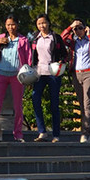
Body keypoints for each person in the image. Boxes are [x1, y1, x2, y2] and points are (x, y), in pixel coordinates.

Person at [61, 19, 90, 143]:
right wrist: (70, 27)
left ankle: (84, 133)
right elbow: (61, 39)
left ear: (85, 29)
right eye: (76, 29)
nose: (77, 31)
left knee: (87, 104)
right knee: (82, 105)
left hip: (88, 73)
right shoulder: (73, 42)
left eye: (80, 28)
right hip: (76, 73)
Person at [0, 15, 34, 142]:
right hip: (1, 73)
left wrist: (28, 75)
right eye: (8, 25)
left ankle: (18, 133)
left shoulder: (23, 40)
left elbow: (28, 58)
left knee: (18, 105)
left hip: (17, 75)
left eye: (13, 24)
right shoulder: (1, 37)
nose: (10, 27)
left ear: (17, 25)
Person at [31, 13, 66, 142]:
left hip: (53, 73)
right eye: (39, 23)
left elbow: (64, 54)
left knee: (54, 104)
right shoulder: (35, 38)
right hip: (39, 73)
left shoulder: (55, 37)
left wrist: (61, 62)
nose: (42, 26)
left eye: (44, 23)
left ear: (49, 23)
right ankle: (42, 131)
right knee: (35, 99)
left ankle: (56, 135)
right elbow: (33, 55)